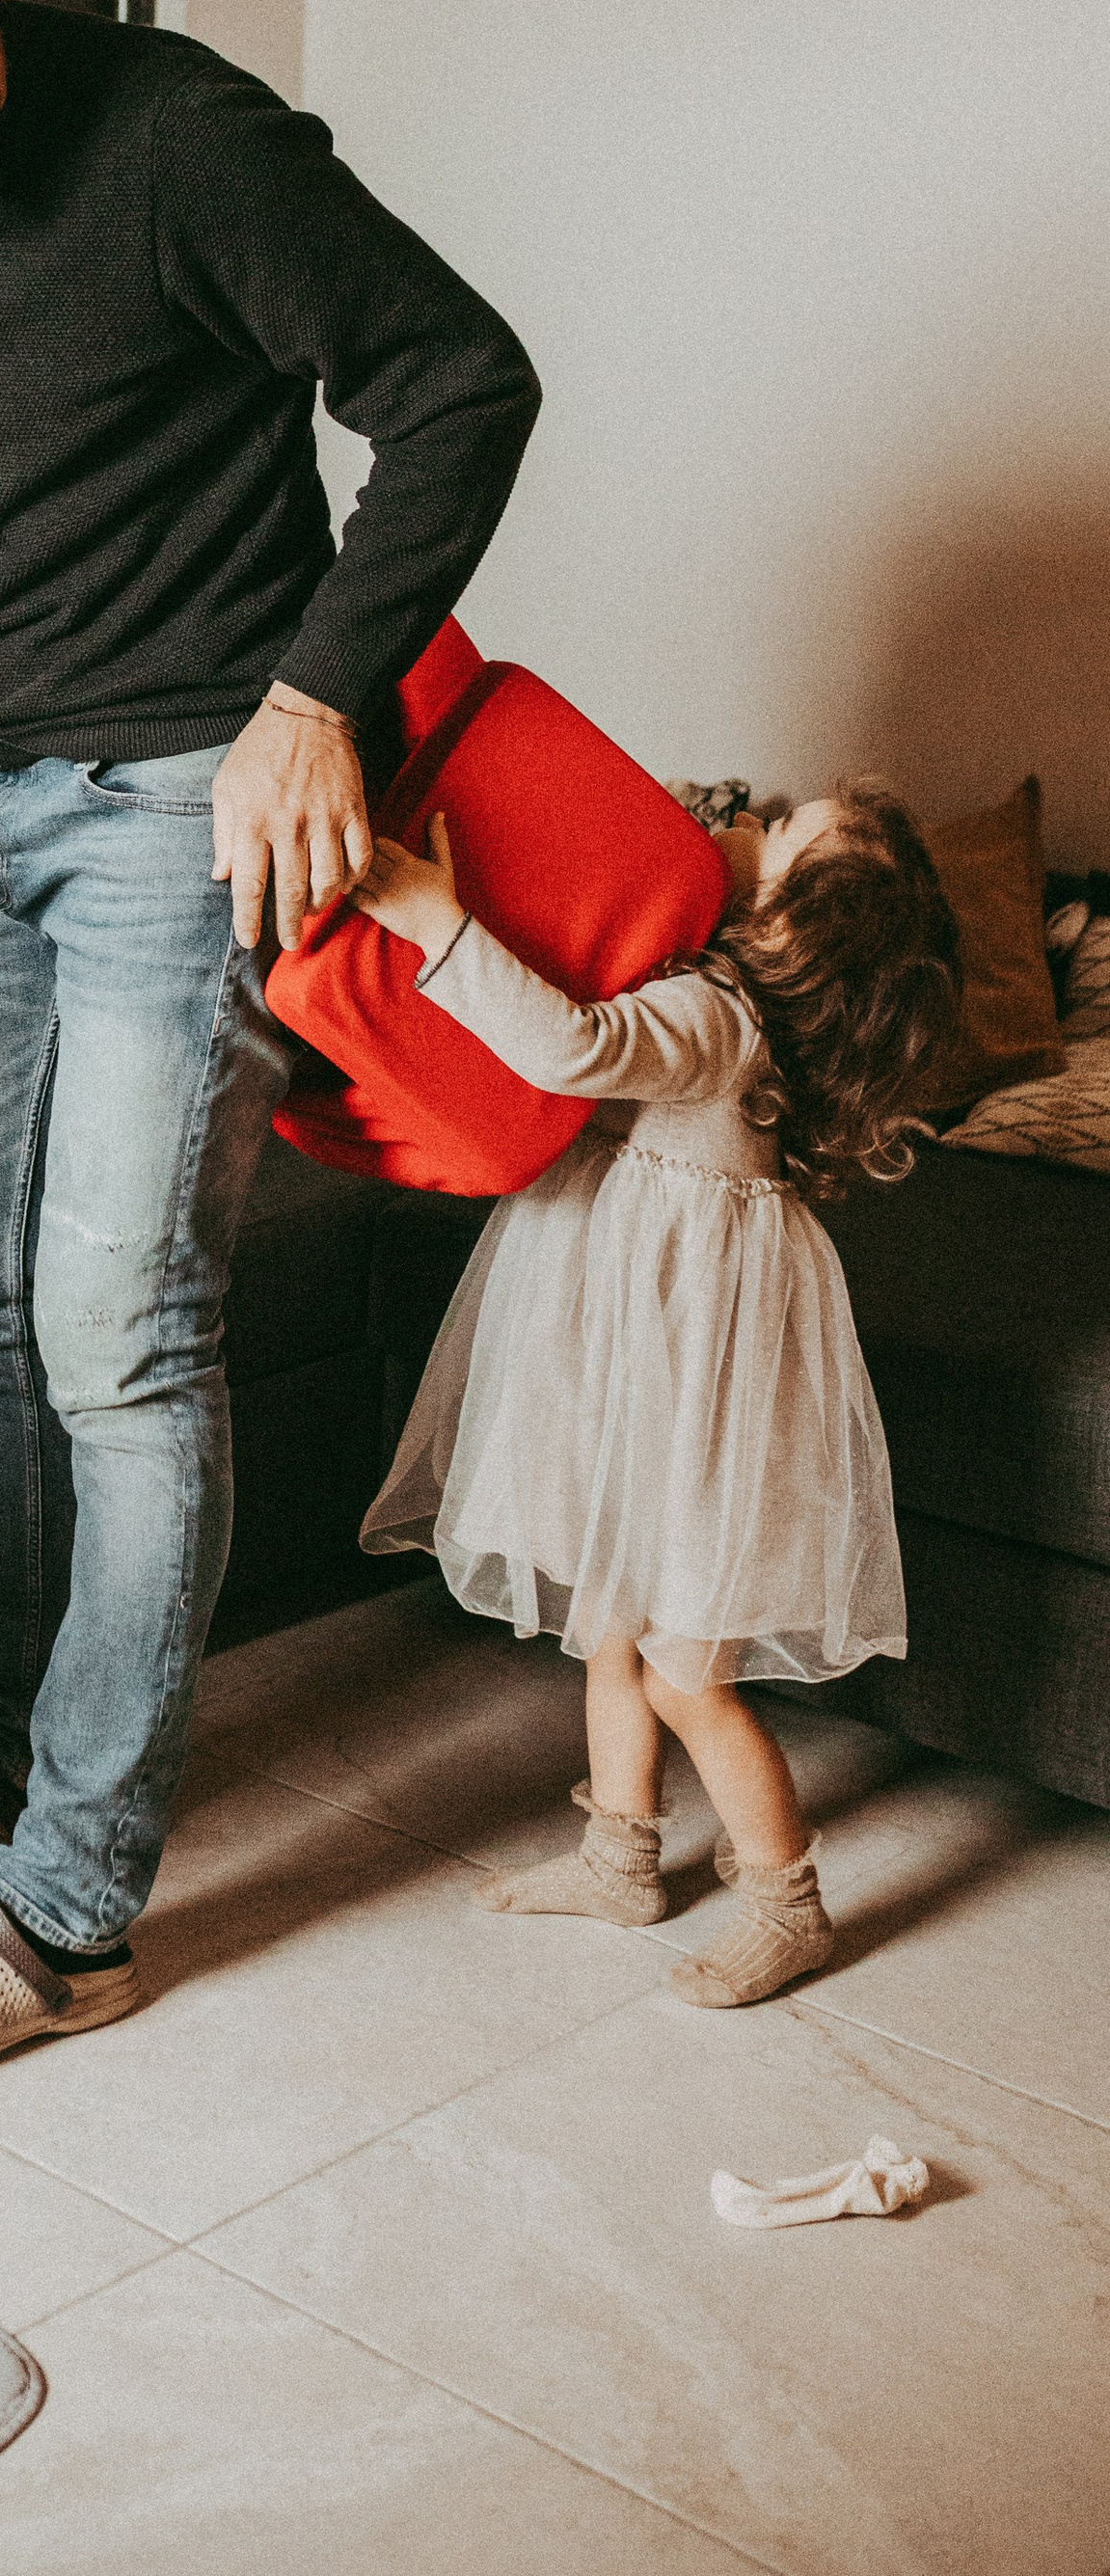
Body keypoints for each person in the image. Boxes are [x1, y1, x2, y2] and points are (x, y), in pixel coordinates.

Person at [0, 0, 541, 2066]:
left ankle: (70, 1913)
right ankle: (10, 1749)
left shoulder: (179, 142)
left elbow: (459, 379)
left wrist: (316, 697)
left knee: (119, 1329)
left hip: (192, 796)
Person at [354, 784, 960, 2005]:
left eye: (781, 835)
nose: (755, 825)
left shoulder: (716, 1017)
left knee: (684, 1669)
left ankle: (787, 1903)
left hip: (685, 1369)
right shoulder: (716, 996)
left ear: (800, 916)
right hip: (654, 1351)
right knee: (611, 1623)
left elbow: (572, 1047)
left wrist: (433, 920)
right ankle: (618, 1858)